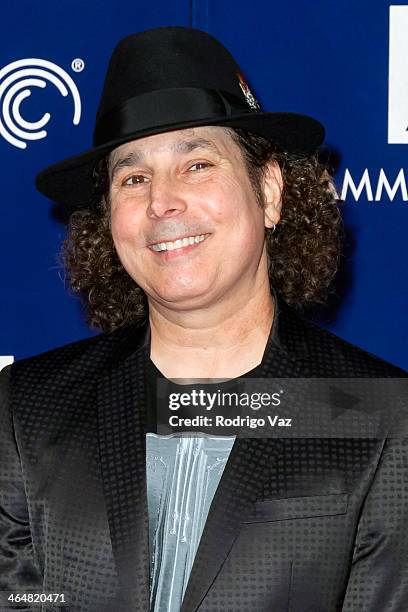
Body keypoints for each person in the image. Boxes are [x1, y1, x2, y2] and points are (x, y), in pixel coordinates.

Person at [0, 26, 407, 612]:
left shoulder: (383, 419)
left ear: (269, 192)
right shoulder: (27, 410)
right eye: (133, 178)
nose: (162, 202)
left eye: (196, 164)